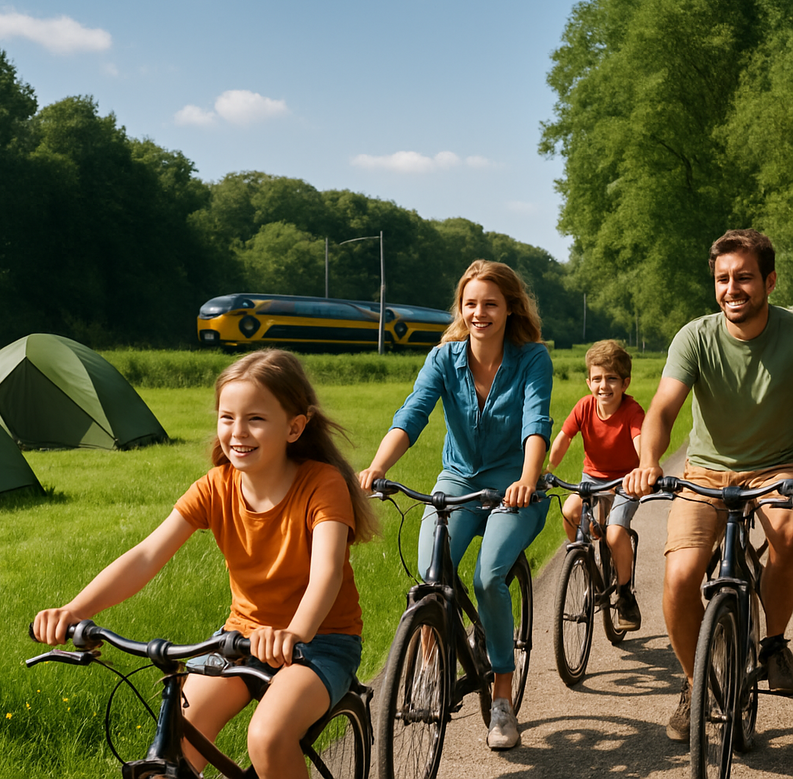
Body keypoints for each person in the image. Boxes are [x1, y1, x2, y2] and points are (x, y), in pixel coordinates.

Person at [32, 350, 377, 779]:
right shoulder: (216, 487)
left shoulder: (322, 484)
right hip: (240, 637)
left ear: (294, 427)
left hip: (320, 640)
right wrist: (75, 611)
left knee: (267, 738)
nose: (237, 431)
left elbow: (326, 573)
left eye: (255, 419)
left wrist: (294, 632)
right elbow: (146, 556)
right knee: (178, 737)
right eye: (227, 417)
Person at [359, 259, 553, 750]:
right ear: (461, 309)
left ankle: (502, 697)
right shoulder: (444, 358)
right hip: (458, 481)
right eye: (471, 304)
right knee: (432, 578)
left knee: (488, 577)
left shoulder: (532, 358)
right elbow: (413, 414)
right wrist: (377, 466)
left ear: (510, 308)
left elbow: (536, 422)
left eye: (491, 304)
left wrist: (527, 479)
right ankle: (430, 664)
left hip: (514, 486)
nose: (479, 313)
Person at [623, 229, 793, 744]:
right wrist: (649, 461)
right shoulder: (695, 337)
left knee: (789, 537)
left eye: (744, 277)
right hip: (705, 472)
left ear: (770, 281)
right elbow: (663, 409)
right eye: (722, 279)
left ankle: (773, 644)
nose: (731, 289)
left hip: (777, 468)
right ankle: (697, 684)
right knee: (679, 578)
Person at [546, 339, 644, 630]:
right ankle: (585, 561)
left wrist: (645, 470)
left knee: (615, 534)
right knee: (569, 511)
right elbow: (564, 439)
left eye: (611, 379)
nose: (604, 386)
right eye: (597, 378)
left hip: (626, 481)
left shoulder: (632, 411)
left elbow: (641, 442)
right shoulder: (584, 406)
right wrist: (547, 470)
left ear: (625, 383)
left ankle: (625, 595)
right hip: (592, 478)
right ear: (589, 382)